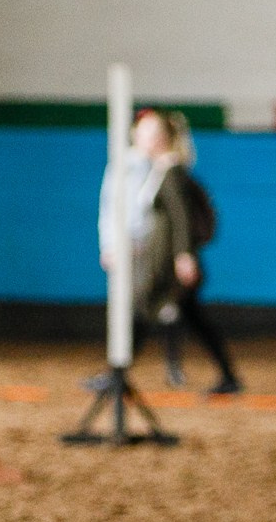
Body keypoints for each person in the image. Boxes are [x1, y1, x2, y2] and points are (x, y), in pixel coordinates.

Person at [96, 108, 241, 394]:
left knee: (141, 309)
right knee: (189, 316)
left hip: (167, 260)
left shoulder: (171, 170)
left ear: (164, 138)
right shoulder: (160, 168)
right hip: (167, 258)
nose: (144, 139)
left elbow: (179, 216)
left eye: (152, 134)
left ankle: (116, 374)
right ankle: (228, 376)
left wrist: (183, 256)